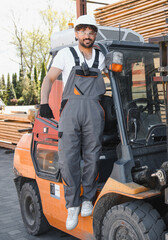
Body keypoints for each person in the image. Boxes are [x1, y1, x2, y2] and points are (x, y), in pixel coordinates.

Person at [39, 15, 106, 231]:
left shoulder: (100, 57)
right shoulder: (66, 54)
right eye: (83, 31)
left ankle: (88, 197)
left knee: (92, 156)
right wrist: (44, 104)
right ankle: (72, 205)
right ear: (76, 33)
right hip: (71, 112)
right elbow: (49, 79)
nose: (87, 35)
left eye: (91, 31)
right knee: (67, 158)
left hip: (93, 110)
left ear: (95, 34)